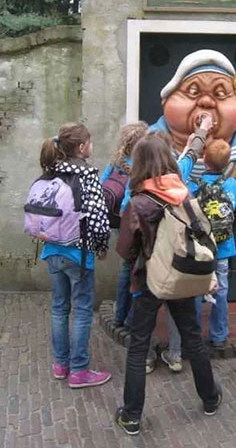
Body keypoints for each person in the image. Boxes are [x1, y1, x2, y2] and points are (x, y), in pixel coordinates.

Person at [115, 133, 222, 436]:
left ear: (139, 163)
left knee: (138, 346)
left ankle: (131, 416)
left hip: (148, 281)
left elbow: (126, 251)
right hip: (179, 274)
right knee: (192, 337)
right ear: (167, 159)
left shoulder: (137, 202)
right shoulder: (182, 193)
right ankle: (210, 398)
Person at [150, 49, 236, 208]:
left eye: (220, 93)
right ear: (166, 99)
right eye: (193, 92)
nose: (206, 101)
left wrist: (180, 190)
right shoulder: (148, 141)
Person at [39, 123, 112, 388]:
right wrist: (101, 246)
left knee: (59, 308)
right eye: (89, 142)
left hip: (52, 250)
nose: (92, 146)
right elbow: (98, 219)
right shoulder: (88, 176)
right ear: (82, 147)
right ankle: (79, 370)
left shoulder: (50, 172)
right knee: (82, 311)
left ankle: (61, 365)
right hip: (78, 254)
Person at [188, 139, 236, 349]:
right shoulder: (233, 185)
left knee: (196, 289)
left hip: (200, 248)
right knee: (221, 290)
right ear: (228, 161)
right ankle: (219, 335)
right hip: (224, 248)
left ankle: (194, 335)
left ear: (204, 159)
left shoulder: (193, 186)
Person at [101, 122, 148, 329]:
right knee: (136, 270)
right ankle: (130, 318)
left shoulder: (114, 163)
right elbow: (131, 197)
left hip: (117, 223)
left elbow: (101, 187)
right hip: (133, 222)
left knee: (126, 267)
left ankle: (119, 315)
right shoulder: (141, 166)